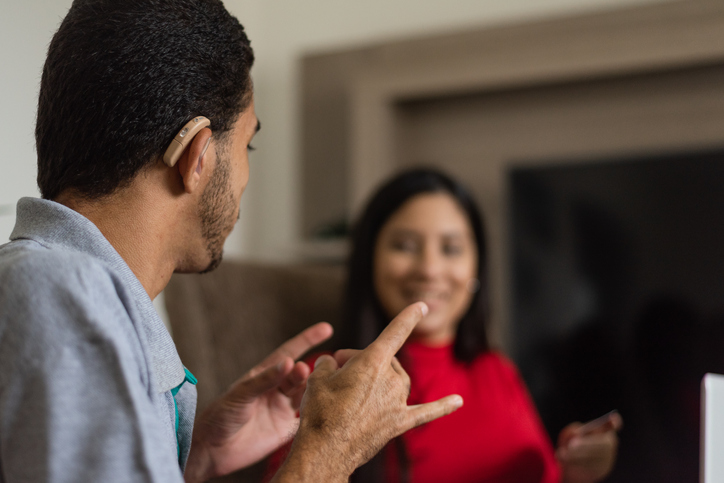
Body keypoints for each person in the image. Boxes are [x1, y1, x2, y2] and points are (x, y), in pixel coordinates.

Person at [0, 2, 463, 482]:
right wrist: (328, 451)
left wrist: (192, 456)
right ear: (195, 155)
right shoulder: (60, 294)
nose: (245, 177)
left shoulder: (63, 292)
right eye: (248, 145)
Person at [269, 168, 622, 483]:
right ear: (370, 260)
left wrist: (575, 473)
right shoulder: (325, 377)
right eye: (405, 245)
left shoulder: (498, 371)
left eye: (451, 249)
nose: (430, 268)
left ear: (475, 269)